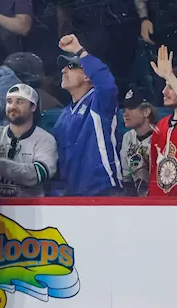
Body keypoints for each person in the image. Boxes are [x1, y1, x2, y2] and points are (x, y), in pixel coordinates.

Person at [50, 34, 122, 196]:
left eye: (71, 66)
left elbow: (107, 84)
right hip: (73, 197)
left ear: (88, 75)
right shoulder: (64, 116)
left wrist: (79, 50)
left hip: (104, 192)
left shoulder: (99, 103)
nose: (63, 70)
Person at [0, 84, 58, 197]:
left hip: (30, 210)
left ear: (33, 107)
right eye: (9, 101)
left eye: (20, 102)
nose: (13, 106)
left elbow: (38, 175)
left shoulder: (45, 140)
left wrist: (2, 165)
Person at [148, 45, 177, 197]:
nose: (164, 91)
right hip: (161, 207)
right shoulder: (161, 125)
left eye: (170, 87)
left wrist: (171, 77)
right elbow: (155, 170)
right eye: (165, 86)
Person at [120, 86, 157, 197]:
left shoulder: (162, 135)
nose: (125, 113)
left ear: (146, 111)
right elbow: (126, 176)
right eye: (124, 108)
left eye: (131, 108)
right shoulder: (127, 137)